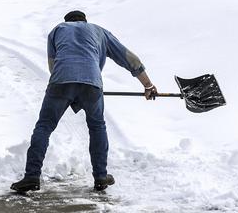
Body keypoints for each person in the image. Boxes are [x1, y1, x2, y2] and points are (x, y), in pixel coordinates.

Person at [11, 10, 157, 193]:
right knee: (97, 127)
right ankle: (101, 176)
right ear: (85, 21)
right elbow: (130, 59)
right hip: (92, 83)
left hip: (60, 81)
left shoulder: (57, 30)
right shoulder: (99, 31)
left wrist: (68, 89)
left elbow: (52, 66)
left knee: (44, 126)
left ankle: (31, 176)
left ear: (67, 21)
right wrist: (148, 85)